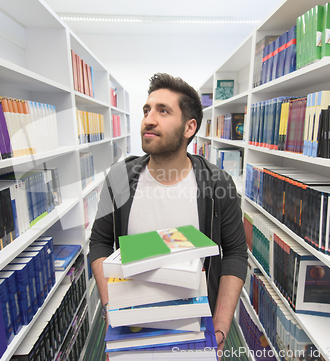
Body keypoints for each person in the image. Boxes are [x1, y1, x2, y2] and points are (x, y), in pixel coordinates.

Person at [88, 73, 248, 350]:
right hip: (131, 327)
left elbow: (235, 253)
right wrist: (110, 304)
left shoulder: (218, 184)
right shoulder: (119, 179)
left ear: (189, 127)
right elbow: (99, 242)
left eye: (163, 111)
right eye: (147, 110)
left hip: (194, 331)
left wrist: (220, 327)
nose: (149, 119)